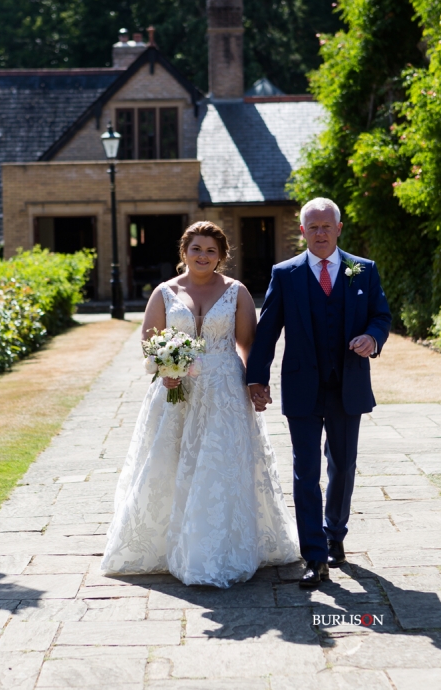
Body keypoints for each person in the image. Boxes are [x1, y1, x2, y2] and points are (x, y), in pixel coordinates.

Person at [101, 221, 300, 587]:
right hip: (176, 391)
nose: (203, 256)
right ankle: (165, 545)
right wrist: (165, 369)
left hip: (225, 391)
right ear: (184, 251)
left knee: (219, 466)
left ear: (221, 255)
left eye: (211, 250)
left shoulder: (236, 292)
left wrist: (255, 384)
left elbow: (247, 344)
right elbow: (149, 341)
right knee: (170, 462)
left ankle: (215, 549)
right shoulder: (164, 292)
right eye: (196, 249)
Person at [246, 198, 391, 588]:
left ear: (339, 228)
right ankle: (314, 555)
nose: (321, 233)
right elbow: (267, 330)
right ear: (302, 231)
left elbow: (381, 315)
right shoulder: (285, 274)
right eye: (313, 227)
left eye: (327, 226)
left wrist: (372, 338)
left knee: (343, 465)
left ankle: (334, 535)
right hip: (302, 387)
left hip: (348, 386)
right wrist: (256, 378)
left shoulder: (364, 270)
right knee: (305, 470)